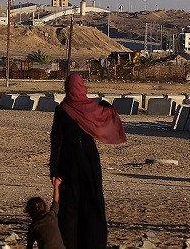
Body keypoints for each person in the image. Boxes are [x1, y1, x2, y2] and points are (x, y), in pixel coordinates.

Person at [50, 73, 126, 249]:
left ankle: (70, 243)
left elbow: (56, 142)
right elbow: (107, 112)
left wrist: (54, 171)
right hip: (89, 161)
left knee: (69, 205)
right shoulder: (91, 107)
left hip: (68, 163)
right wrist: (105, 104)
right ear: (82, 87)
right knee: (92, 201)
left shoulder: (62, 110)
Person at [25, 177, 65, 249]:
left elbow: (29, 247)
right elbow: (55, 200)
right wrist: (56, 185)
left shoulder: (33, 227)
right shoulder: (52, 215)